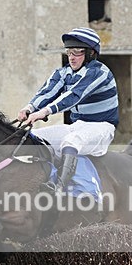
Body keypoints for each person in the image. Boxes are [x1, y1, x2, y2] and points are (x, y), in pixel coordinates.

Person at [18, 27, 118, 192]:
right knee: (33, 138)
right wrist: (30, 107)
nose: (71, 57)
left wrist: (44, 112)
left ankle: (58, 186)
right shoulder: (63, 72)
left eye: (77, 52)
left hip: (102, 127)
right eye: (69, 52)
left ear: (90, 53)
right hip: (78, 125)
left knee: (71, 141)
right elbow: (47, 91)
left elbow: (74, 96)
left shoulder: (99, 72)